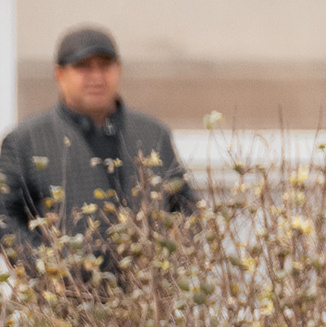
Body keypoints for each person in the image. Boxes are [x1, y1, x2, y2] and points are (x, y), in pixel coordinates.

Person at [0, 24, 196, 264]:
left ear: (119, 69)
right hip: (65, 295)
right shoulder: (26, 141)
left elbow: (187, 208)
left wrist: (171, 262)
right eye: (83, 66)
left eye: (105, 65)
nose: (96, 76)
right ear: (59, 74)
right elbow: (5, 217)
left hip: (147, 293)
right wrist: (46, 269)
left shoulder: (152, 134)